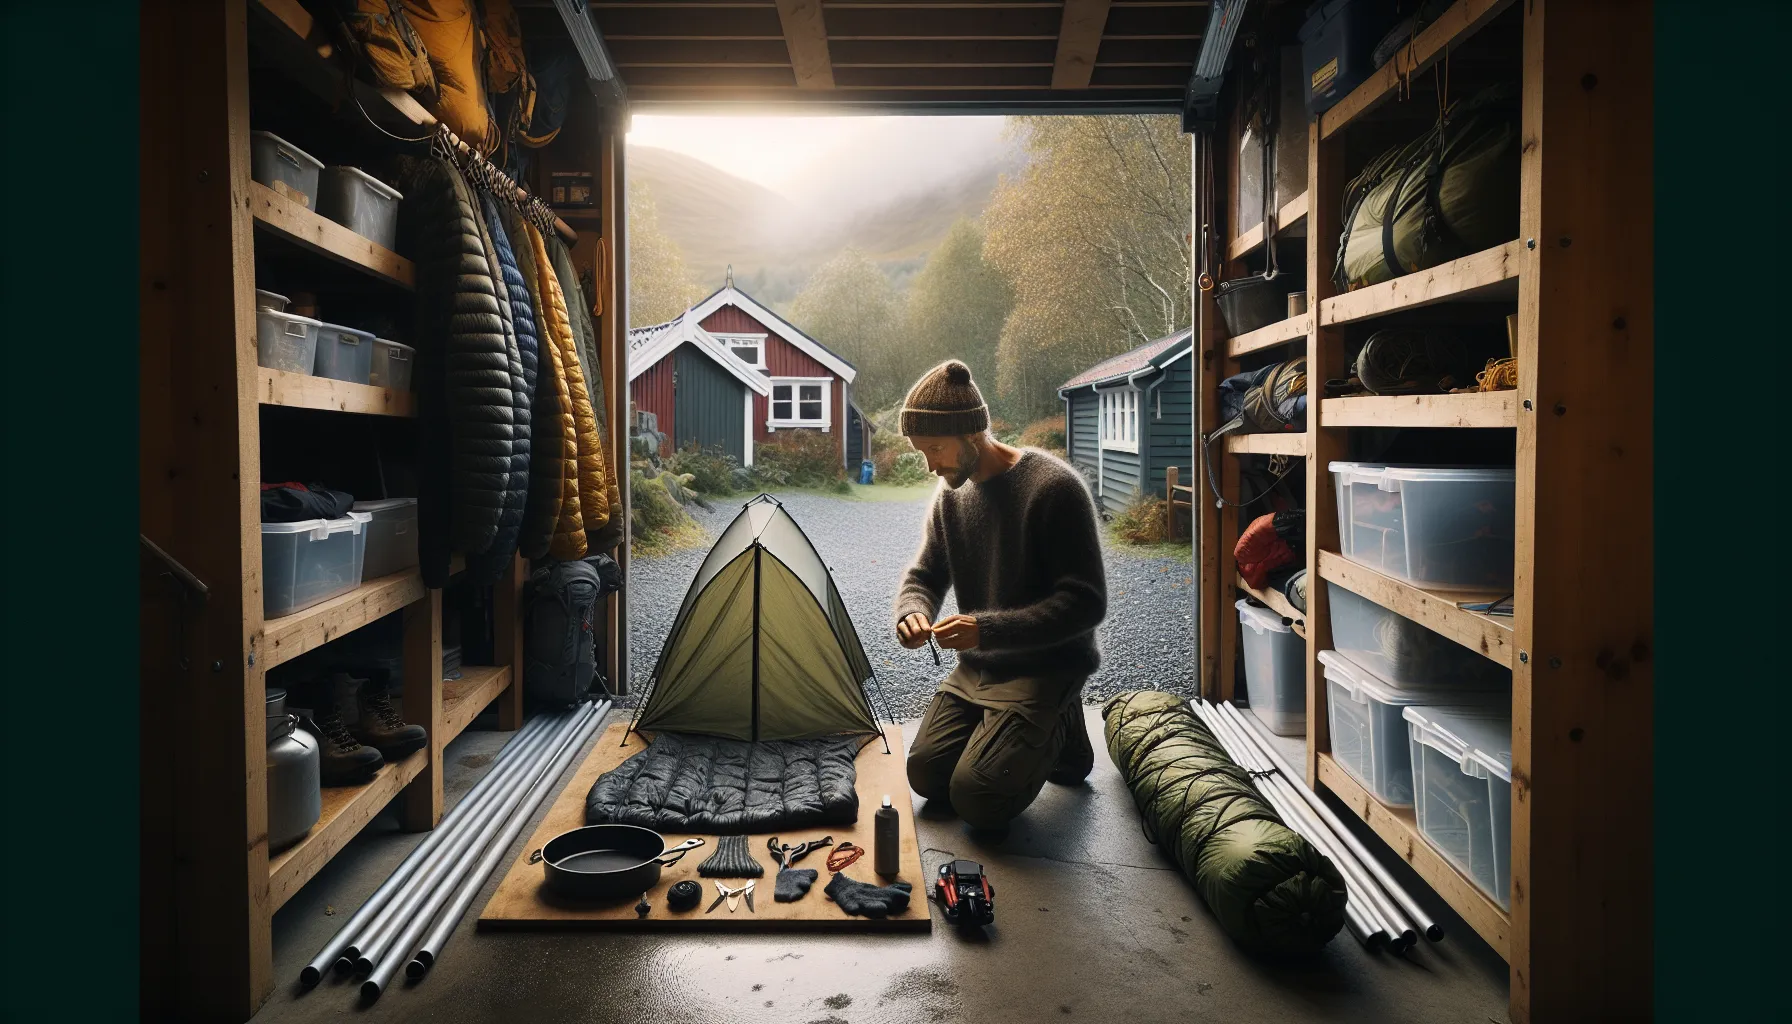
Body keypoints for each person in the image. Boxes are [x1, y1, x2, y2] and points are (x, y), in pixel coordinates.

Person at [892, 360, 1108, 829]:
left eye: (934, 448)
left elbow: (1086, 601)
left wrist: (984, 629)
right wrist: (912, 611)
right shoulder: (951, 496)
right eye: (920, 453)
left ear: (971, 435)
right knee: (925, 774)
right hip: (980, 667)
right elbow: (925, 574)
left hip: (1044, 664)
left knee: (978, 799)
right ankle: (1039, 727)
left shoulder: (1053, 490)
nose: (930, 465)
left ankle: (1060, 716)